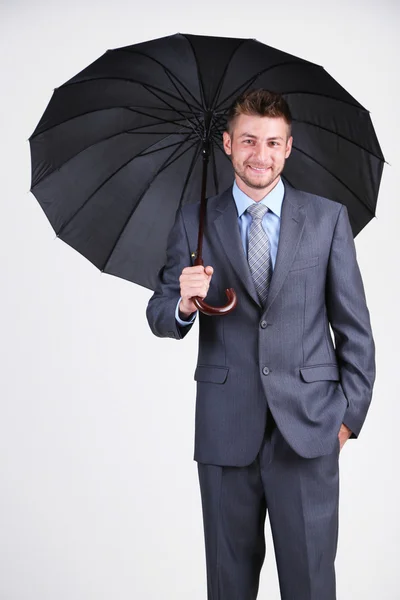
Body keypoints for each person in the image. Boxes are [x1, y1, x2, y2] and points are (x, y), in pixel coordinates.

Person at [146, 89, 375, 600]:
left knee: (311, 586)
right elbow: (159, 313)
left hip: (309, 432)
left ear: (288, 147)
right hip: (227, 432)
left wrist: (345, 422)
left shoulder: (327, 219)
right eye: (249, 140)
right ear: (227, 144)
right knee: (229, 587)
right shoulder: (194, 222)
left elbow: (356, 330)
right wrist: (184, 303)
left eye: (272, 142)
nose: (260, 154)